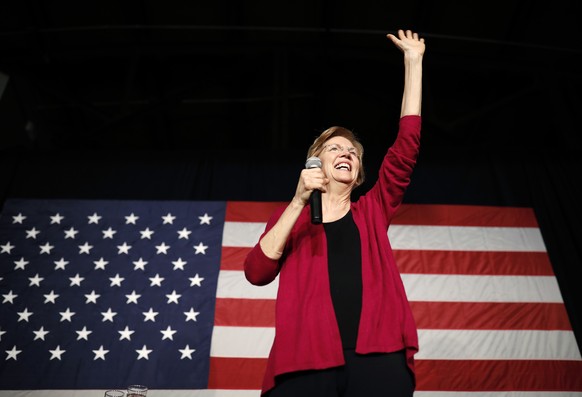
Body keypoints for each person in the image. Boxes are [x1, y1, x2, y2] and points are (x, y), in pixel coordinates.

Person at [244, 29, 425, 397]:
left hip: (378, 357)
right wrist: (297, 202)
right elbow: (256, 273)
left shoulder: (372, 210)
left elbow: (406, 147)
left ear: (358, 173)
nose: (346, 153)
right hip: (303, 362)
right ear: (315, 162)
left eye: (353, 152)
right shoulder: (290, 217)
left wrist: (414, 62)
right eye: (334, 148)